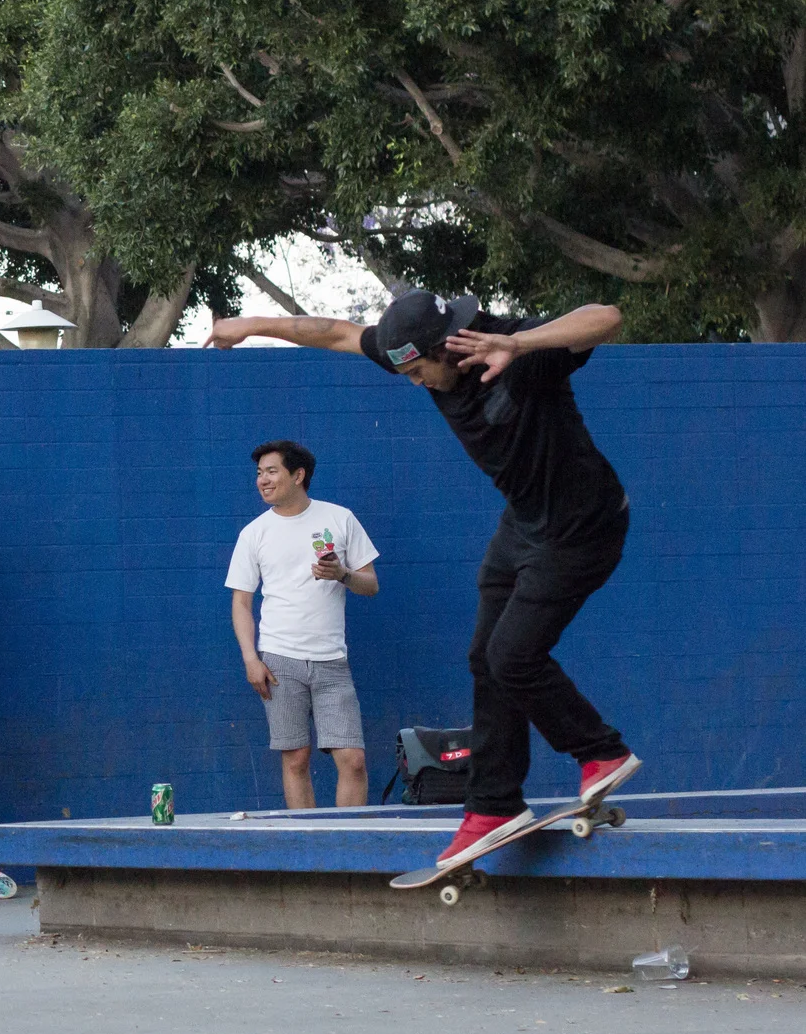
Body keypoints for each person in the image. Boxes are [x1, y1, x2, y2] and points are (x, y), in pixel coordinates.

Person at [209, 292, 639, 869]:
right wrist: (250, 324)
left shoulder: (515, 349)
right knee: (485, 657)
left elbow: (605, 316)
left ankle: (600, 751)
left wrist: (518, 341)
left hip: (583, 523)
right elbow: (335, 331)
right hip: (524, 523)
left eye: (418, 372)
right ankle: (494, 803)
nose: (415, 384)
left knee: (513, 656)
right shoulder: (411, 353)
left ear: (446, 348)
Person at [224, 439, 380, 807]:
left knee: (353, 761)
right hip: (278, 661)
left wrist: (341, 574)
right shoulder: (254, 533)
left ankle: (350, 852)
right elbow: (241, 603)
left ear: (298, 475)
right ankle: (311, 853)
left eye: (271, 471)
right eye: (259, 473)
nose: (262, 480)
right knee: (296, 759)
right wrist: (251, 659)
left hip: (331, 661)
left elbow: (370, 585)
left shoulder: (339, 518)